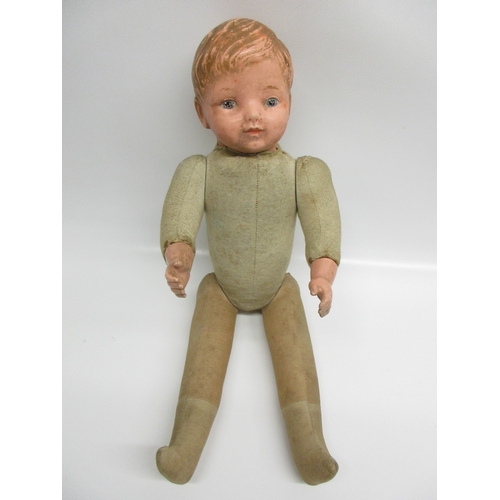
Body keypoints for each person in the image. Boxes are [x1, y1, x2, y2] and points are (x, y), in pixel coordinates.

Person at [156, 18, 341, 485]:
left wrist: (322, 274)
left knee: (296, 356)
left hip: (279, 287)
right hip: (221, 287)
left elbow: (322, 226)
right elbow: (180, 220)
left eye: (270, 101)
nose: (253, 116)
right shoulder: (198, 170)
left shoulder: (302, 172)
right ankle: (184, 446)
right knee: (203, 357)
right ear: (201, 113)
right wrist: (178, 257)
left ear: (290, 102)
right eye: (229, 103)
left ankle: (310, 443)